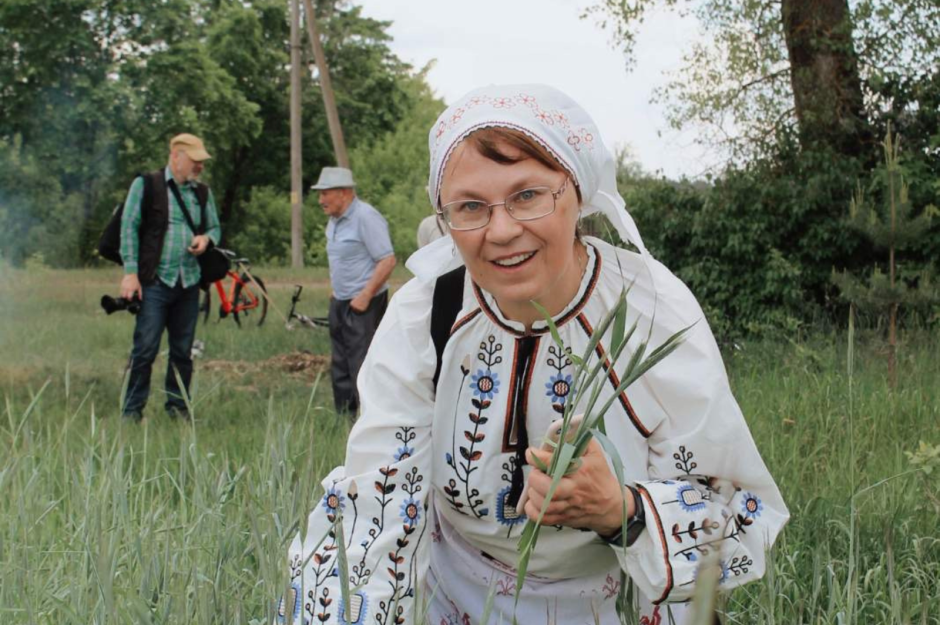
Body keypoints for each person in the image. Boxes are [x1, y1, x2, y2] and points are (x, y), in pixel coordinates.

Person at [282, 86, 788, 624]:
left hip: (605, 600)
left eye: (528, 196)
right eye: (471, 207)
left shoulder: (648, 311)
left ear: (577, 193)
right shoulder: (425, 313)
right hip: (445, 589)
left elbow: (735, 513)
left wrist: (621, 510)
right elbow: (375, 505)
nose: (501, 231)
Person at [119, 133, 221, 422]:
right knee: (145, 348)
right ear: (176, 156)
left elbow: (214, 228)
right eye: (195, 160)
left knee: (182, 351)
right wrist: (130, 273)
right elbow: (129, 227)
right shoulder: (147, 185)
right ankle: (131, 411)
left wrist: (205, 239)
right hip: (154, 282)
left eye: (202, 162)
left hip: (188, 282)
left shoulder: (202, 193)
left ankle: (177, 409)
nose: (199, 167)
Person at [314, 167, 397, 415]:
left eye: (325, 193)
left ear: (345, 192)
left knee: (361, 362)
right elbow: (340, 259)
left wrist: (364, 295)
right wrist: (335, 290)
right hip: (341, 300)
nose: (321, 200)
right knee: (340, 362)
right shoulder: (335, 220)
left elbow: (387, 260)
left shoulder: (366, 217)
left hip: (364, 302)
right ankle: (344, 416)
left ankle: (368, 417)